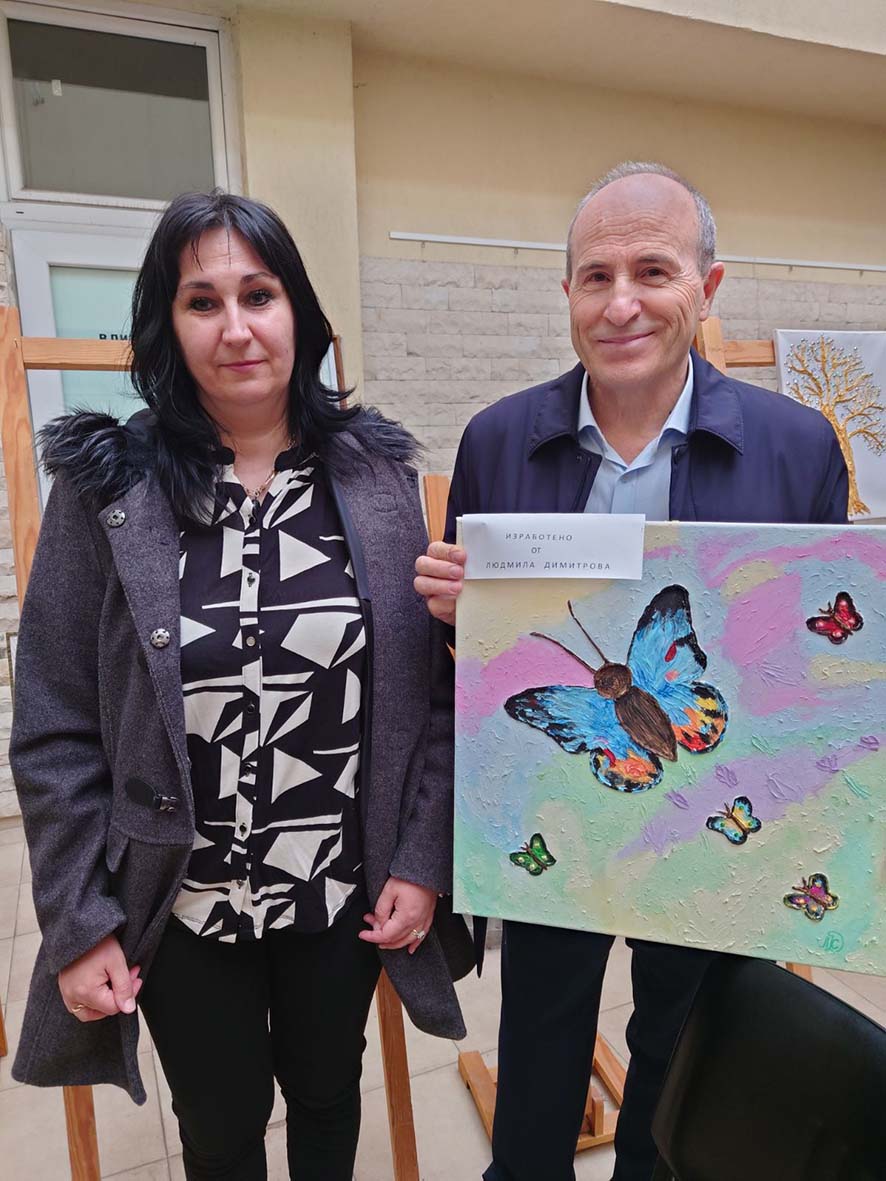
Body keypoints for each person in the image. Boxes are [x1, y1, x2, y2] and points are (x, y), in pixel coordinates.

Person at [11, 189, 473, 1180]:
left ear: (297, 310)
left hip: (340, 888)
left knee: (327, 1094)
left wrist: (421, 855)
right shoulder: (108, 488)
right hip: (182, 900)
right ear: (166, 324)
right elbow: (53, 725)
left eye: (258, 295)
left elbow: (430, 698)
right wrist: (79, 918)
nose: (235, 328)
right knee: (220, 1127)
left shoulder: (378, 478)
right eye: (201, 301)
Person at [414, 161, 848, 1181]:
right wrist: (456, 615)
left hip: (717, 811)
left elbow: (809, 667)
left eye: (652, 271)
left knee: (684, 1053)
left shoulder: (796, 447)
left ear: (708, 284)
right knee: (538, 1043)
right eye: (594, 276)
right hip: (559, 815)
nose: (621, 305)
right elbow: (478, 676)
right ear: (565, 291)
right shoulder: (498, 440)